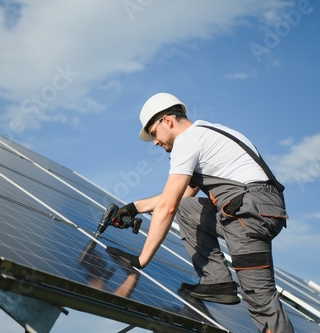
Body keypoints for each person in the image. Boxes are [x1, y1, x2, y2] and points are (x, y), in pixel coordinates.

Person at [106, 92, 294, 333]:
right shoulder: (206, 133)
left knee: (260, 300)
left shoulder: (187, 142)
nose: (154, 142)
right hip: (256, 206)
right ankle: (216, 282)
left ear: (167, 120)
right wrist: (134, 207)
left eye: (153, 133)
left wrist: (141, 260)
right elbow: (182, 199)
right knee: (188, 210)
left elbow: (167, 207)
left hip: (248, 213)